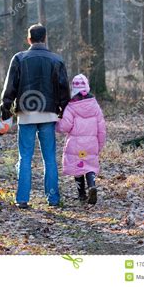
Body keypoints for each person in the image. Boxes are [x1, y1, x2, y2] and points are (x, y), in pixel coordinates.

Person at [0, 24, 70, 209]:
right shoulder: (56, 60)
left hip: (26, 114)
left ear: (29, 39)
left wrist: (5, 110)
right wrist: (63, 109)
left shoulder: (19, 58)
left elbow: (10, 87)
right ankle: (53, 199)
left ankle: (22, 199)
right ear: (45, 38)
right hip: (49, 113)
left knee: (25, 157)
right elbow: (63, 89)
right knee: (49, 158)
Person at [56, 74, 106, 205]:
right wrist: (100, 144)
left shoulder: (71, 106)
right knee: (89, 165)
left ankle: (82, 194)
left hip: (75, 144)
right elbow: (101, 127)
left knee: (77, 167)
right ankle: (92, 186)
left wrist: (57, 124)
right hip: (91, 143)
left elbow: (65, 126)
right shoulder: (94, 105)